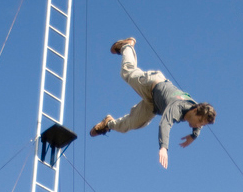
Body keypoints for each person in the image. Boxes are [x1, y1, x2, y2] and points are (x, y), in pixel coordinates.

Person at [90, 38, 216, 169]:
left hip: (153, 105)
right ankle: (126, 46)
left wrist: (193, 136)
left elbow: (200, 123)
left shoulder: (197, 111)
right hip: (151, 84)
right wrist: (163, 148)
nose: (198, 125)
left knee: (130, 125)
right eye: (199, 121)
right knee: (127, 72)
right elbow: (165, 124)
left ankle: (108, 123)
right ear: (195, 111)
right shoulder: (177, 107)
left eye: (202, 124)